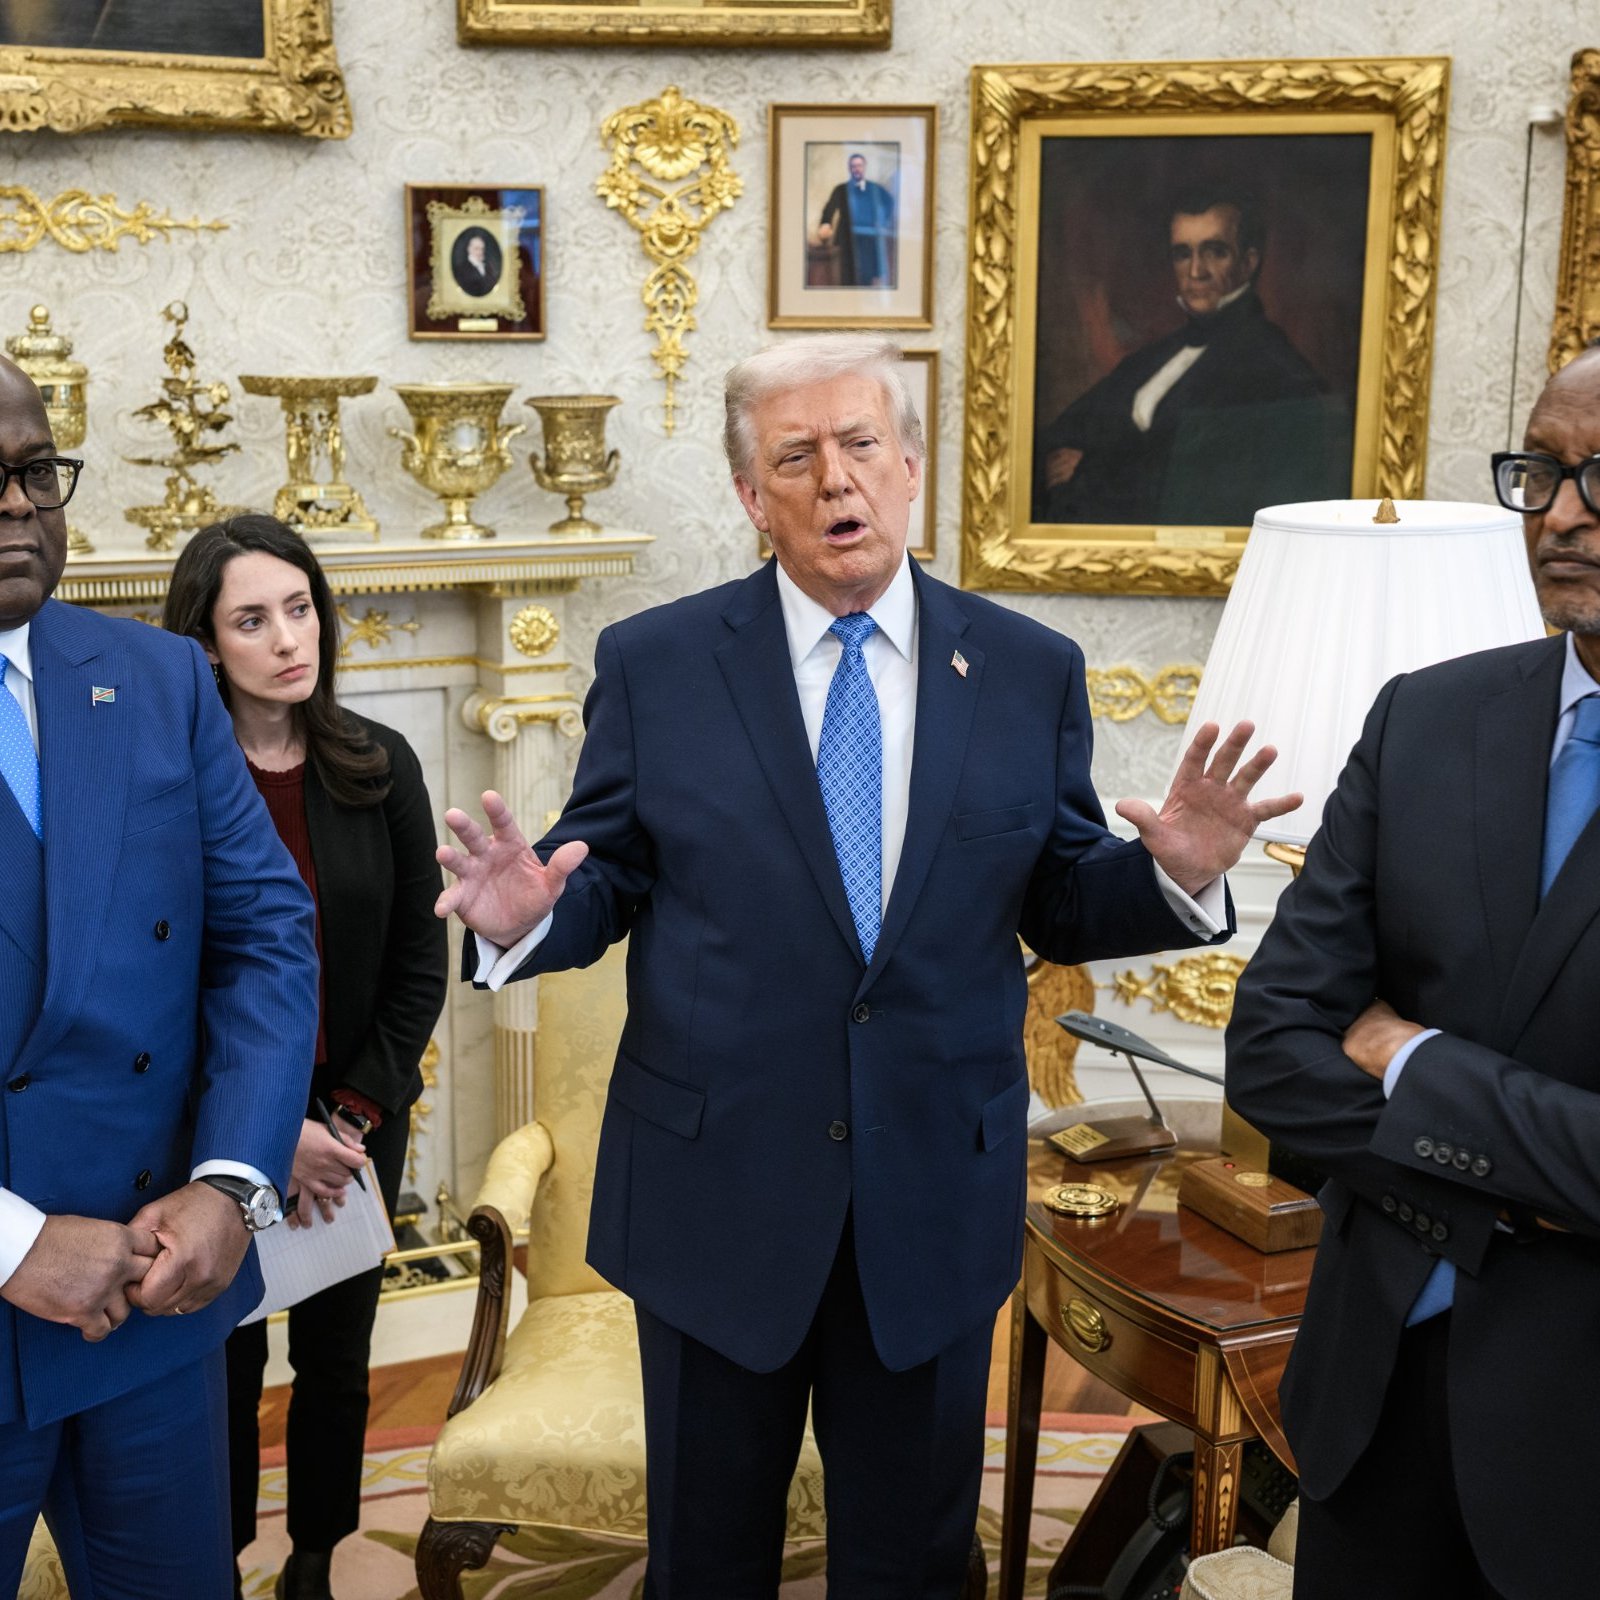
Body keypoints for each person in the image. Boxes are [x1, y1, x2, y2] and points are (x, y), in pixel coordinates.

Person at [435, 333, 1296, 1597]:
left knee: (913, 1563)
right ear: (752, 496)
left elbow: (1060, 895)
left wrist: (1178, 875)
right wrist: (522, 919)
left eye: (859, 445)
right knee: (706, 1562)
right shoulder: (657, 663)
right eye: (795, 457)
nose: (835, 478)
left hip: (929, 1195)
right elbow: (601, 875)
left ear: (909, 469)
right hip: (716, 1194)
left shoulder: (1026, 669)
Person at [1225, 347, 1600, 1598]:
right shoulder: (1424, 717)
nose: (1560, 514)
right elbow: (1270, 1048)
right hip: (1371, 1395)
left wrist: (1412, 1056)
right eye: (1540, 472)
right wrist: (1526, 1179)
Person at [0, 360, 317, 1597]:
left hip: (149, 1291)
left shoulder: (159, 678)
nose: (17, 505)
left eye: (36, 471)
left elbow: (264, 933)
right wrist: (14, 1242)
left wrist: (232, 1183)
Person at [163, 515, 448, 1600]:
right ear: (204, 642)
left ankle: (316, 1561)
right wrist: (265, 1128)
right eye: (252, 620)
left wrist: (348, 1120)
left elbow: (420, 963)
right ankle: (221, 1560)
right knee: (224, 1362)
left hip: (355, 1123)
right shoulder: (171, 781)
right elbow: (163, 983)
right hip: (222, 1126)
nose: (289, 639)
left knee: (338, 1358)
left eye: (300, 609)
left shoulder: (381, 763)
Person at [1035, 186, 1348, 526]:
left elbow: (1200, 490)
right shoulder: (1152, 359)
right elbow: (1061, 436)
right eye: (1183, 254)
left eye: (1215, 252)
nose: (1196, 271)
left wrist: (1087, 471)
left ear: (1248, 263)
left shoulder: (1275, 368)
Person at [817, 153, 897, 288]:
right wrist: (826, 224)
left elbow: (890, 202)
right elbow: (829, 208)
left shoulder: (874, 189)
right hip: (846, 240)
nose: (856, 169)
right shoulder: (840, 189)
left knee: (866, 278)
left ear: (864, 167)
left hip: (868, 239)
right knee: (846, 278)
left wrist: (883, 221)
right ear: (849, 168)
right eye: (853, 166)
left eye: (859, 165)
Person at [452, 231, 499, 297]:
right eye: (476, 249)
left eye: (482, 249)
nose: (480, 252)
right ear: (469, 249)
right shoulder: (461, 269)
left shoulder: (488, 268)